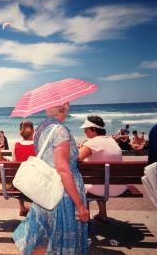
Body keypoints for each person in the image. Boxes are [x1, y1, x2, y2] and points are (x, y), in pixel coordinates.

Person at [13, 102, 89, 254]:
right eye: (61, 103)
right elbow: (62, 169)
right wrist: (80, 205)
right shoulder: (60, 131)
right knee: (58, 238)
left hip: (46, 190)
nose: (63, 105)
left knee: (44, 236)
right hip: (63, 193)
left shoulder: (41, 128)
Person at [78, 115, 126, 222]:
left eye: (86, 129)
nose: (84, 132)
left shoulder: (91, 143)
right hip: (119, 187)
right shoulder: (111, 141)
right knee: (102, 177)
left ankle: (87, 218)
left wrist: (81, 148)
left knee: (81, 183)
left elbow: (75, 159)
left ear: (93, 129)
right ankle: (102, 214)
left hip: (101, 188)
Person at [12, 121, 36, 216]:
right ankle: (37, 207)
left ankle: (22, 207)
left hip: (20, 183)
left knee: (19, 172)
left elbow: (14, 163)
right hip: (34, 183)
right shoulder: (37, 145)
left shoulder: (16, 145)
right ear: (33, 131)